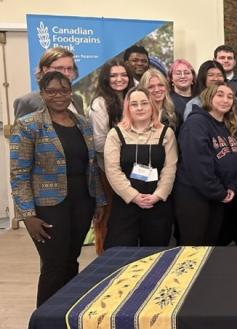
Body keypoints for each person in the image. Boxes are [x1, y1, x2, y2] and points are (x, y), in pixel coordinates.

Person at [10, 71, 106, 306]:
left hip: (82, 202)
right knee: (54, 265)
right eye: (51, 91)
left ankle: (64, 314)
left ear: (71, 92)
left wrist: (100, 200)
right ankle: (44, 320)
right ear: (42, 94)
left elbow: (91, 166)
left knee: (71, 261)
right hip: (48, 208)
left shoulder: (82, 123)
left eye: (64, 90)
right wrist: (27, 215)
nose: (59, 96)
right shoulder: (28, 125)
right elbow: (19, 173)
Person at [103, 87, 178, 248]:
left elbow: (170, 168)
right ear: (127, 108)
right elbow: (112, 170)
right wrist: (134, 196)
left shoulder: (166, 133)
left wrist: (158, 195)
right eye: (134, 104)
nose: (139, 108)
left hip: (157, 204)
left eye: (144, 103)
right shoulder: (116, 134)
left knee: (155, 255)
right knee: (120, 254)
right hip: (126, 203)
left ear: (152, 105)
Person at [174, 82, 237, 245]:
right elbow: (198, 165)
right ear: (208, 97)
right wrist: (219, 192)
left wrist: (232, 186)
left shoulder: (226, 127)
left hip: (217, 197)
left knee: (210, 245)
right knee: (193, 250)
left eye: (230, 97)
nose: (225, 100)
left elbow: (234, 160)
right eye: (220, 95)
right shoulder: (196, 123)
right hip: (195, 198)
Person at [88, 59, 134, 254]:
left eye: (123, 75)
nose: (119, 79)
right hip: (108, 170)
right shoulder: (99, 103)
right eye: (113, 75)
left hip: (134, 167)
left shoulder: (132, 98)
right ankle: (104, 256)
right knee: (108, 217)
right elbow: (99, 142)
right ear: (105, 79)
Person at [14, 47, 84, 118]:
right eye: (59, 68)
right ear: (45, 69)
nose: (66, 73)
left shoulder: (77, 99)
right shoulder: (27, 102)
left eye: (69, 68)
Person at [139, 68, 181, 133]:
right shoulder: (138, 114)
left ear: (166, 87)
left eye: (160, 85)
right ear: (143, 90)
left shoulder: (175, 115)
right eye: (151, 87)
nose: (157, 90)